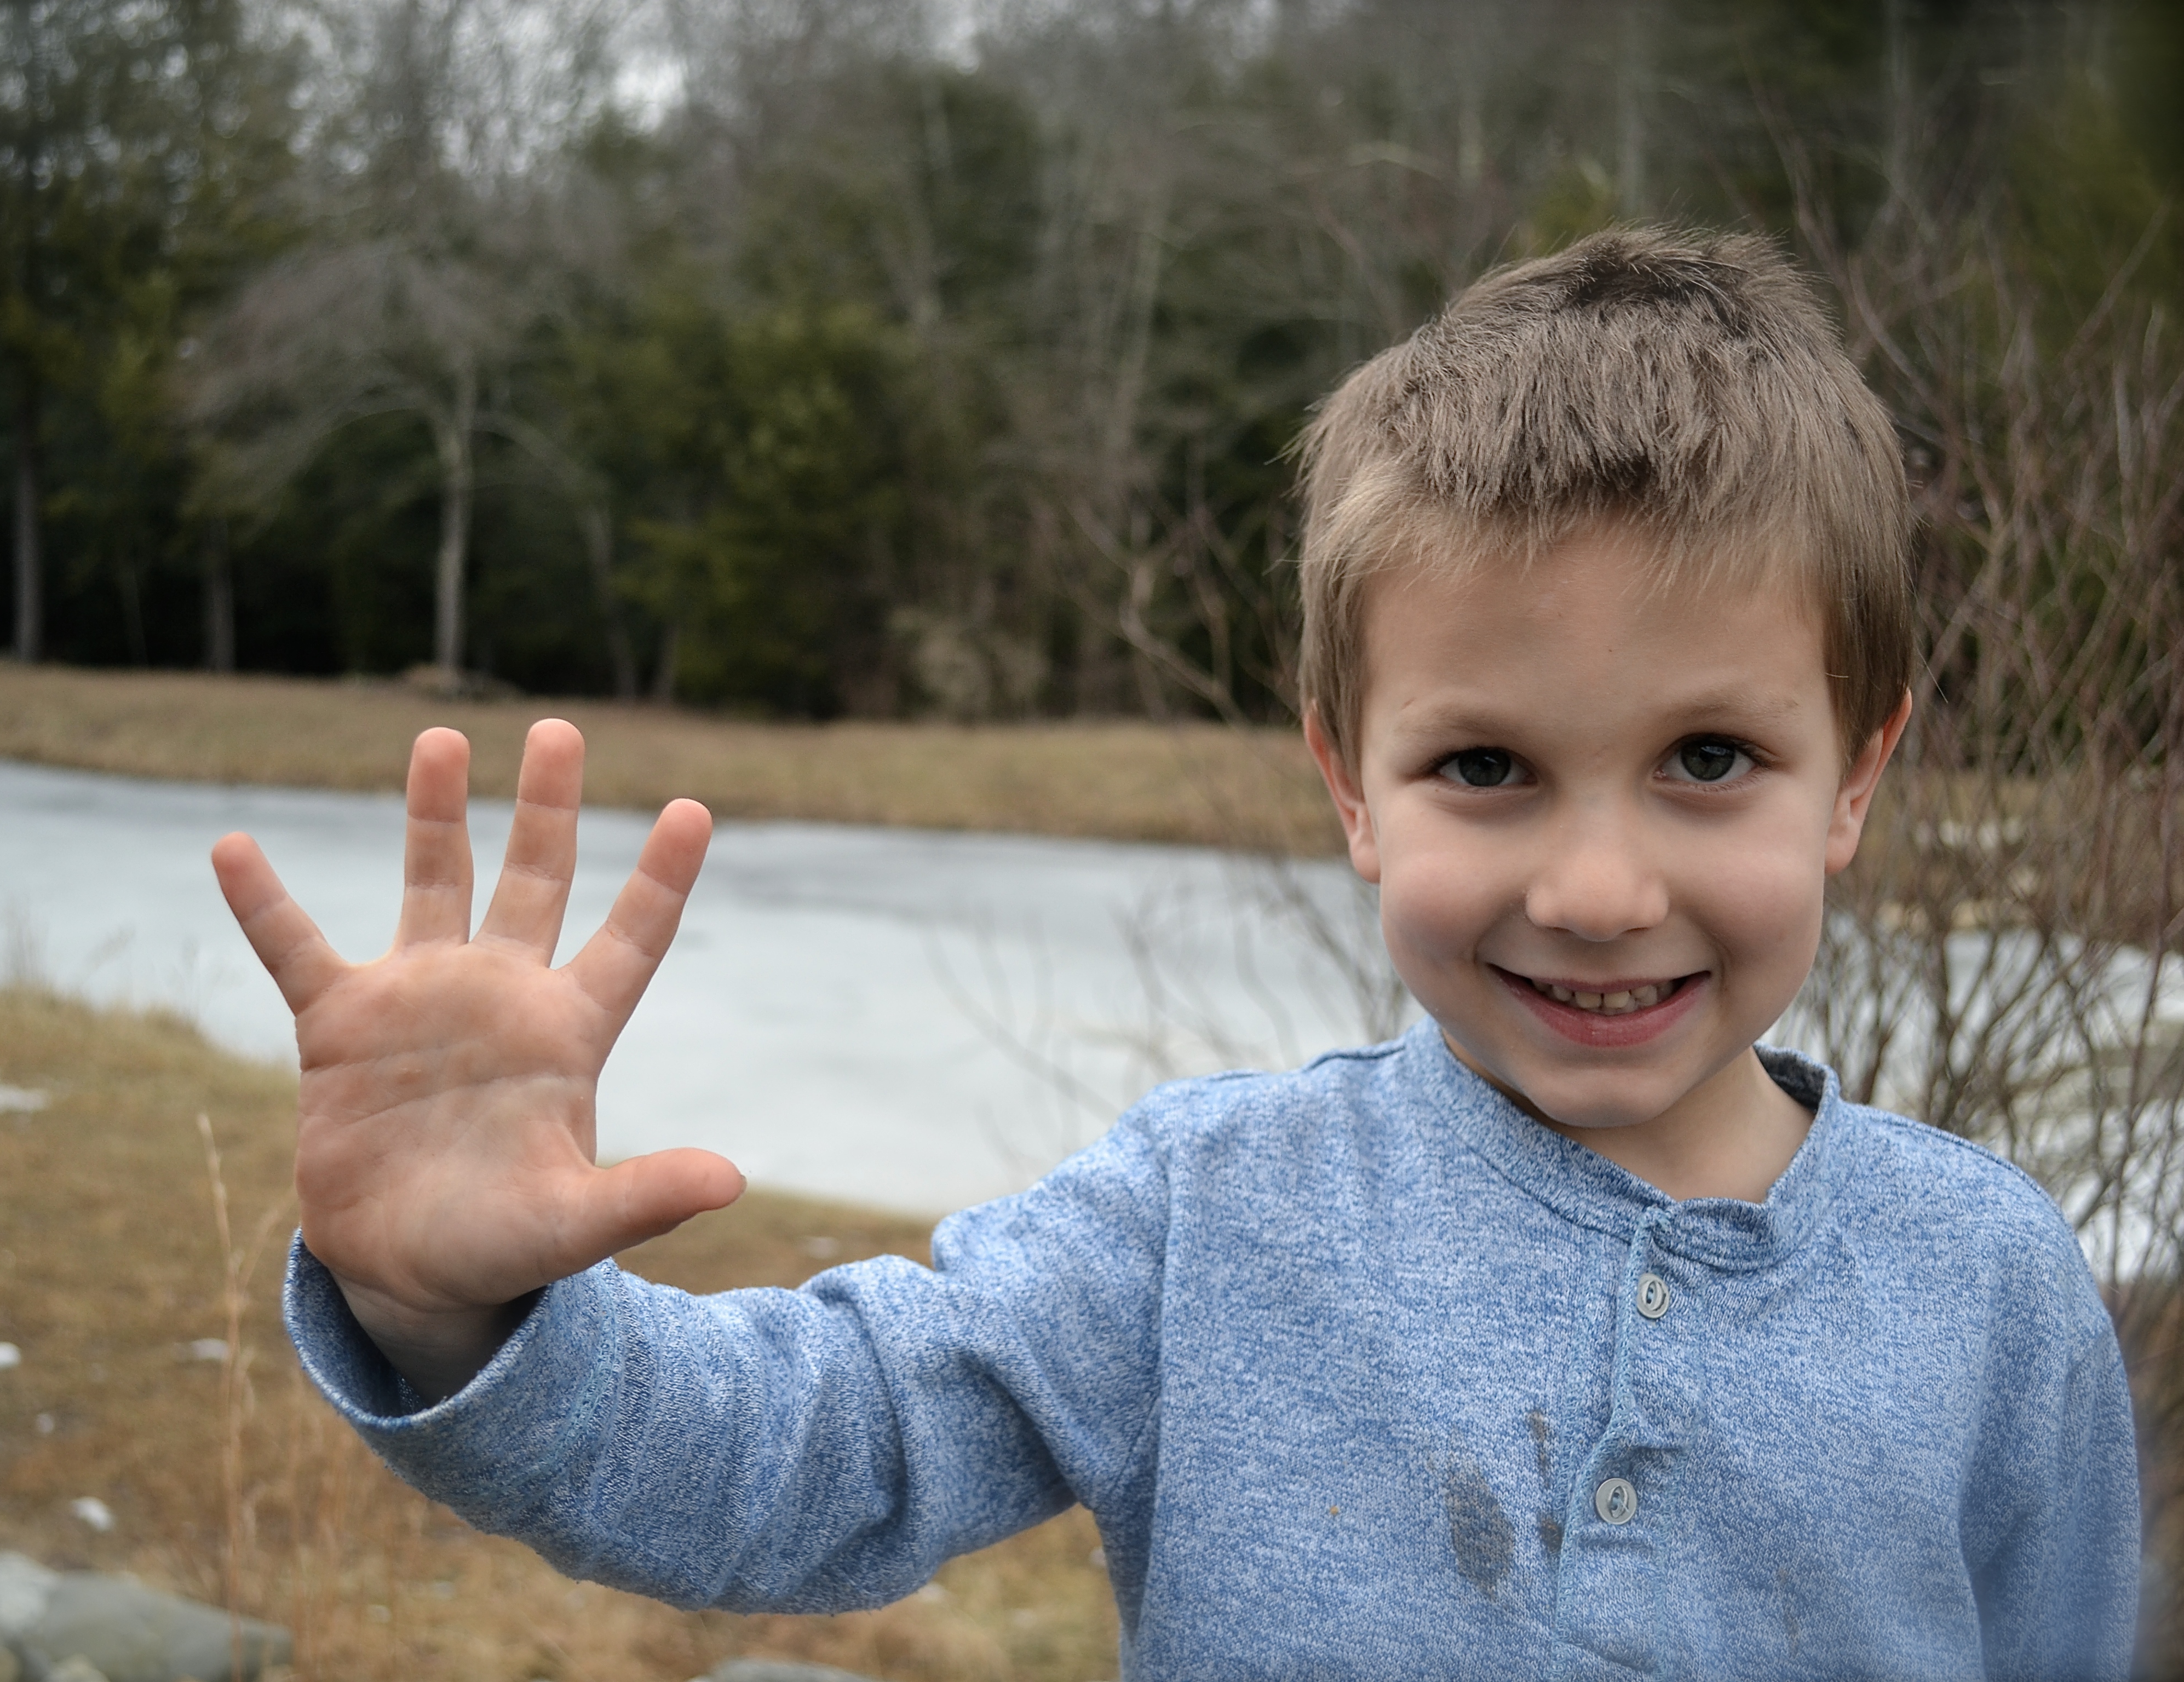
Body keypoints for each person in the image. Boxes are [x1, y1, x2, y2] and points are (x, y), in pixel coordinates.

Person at [210, 227, 2138, 1677]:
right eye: (1486, 768)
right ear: (1354, 786)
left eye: (1708, 760)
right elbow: (809, 1451)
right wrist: (459, 1318)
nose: (1599, 889)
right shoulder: (1206, 1217)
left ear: (1857, 773)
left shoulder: (1989, 1289)